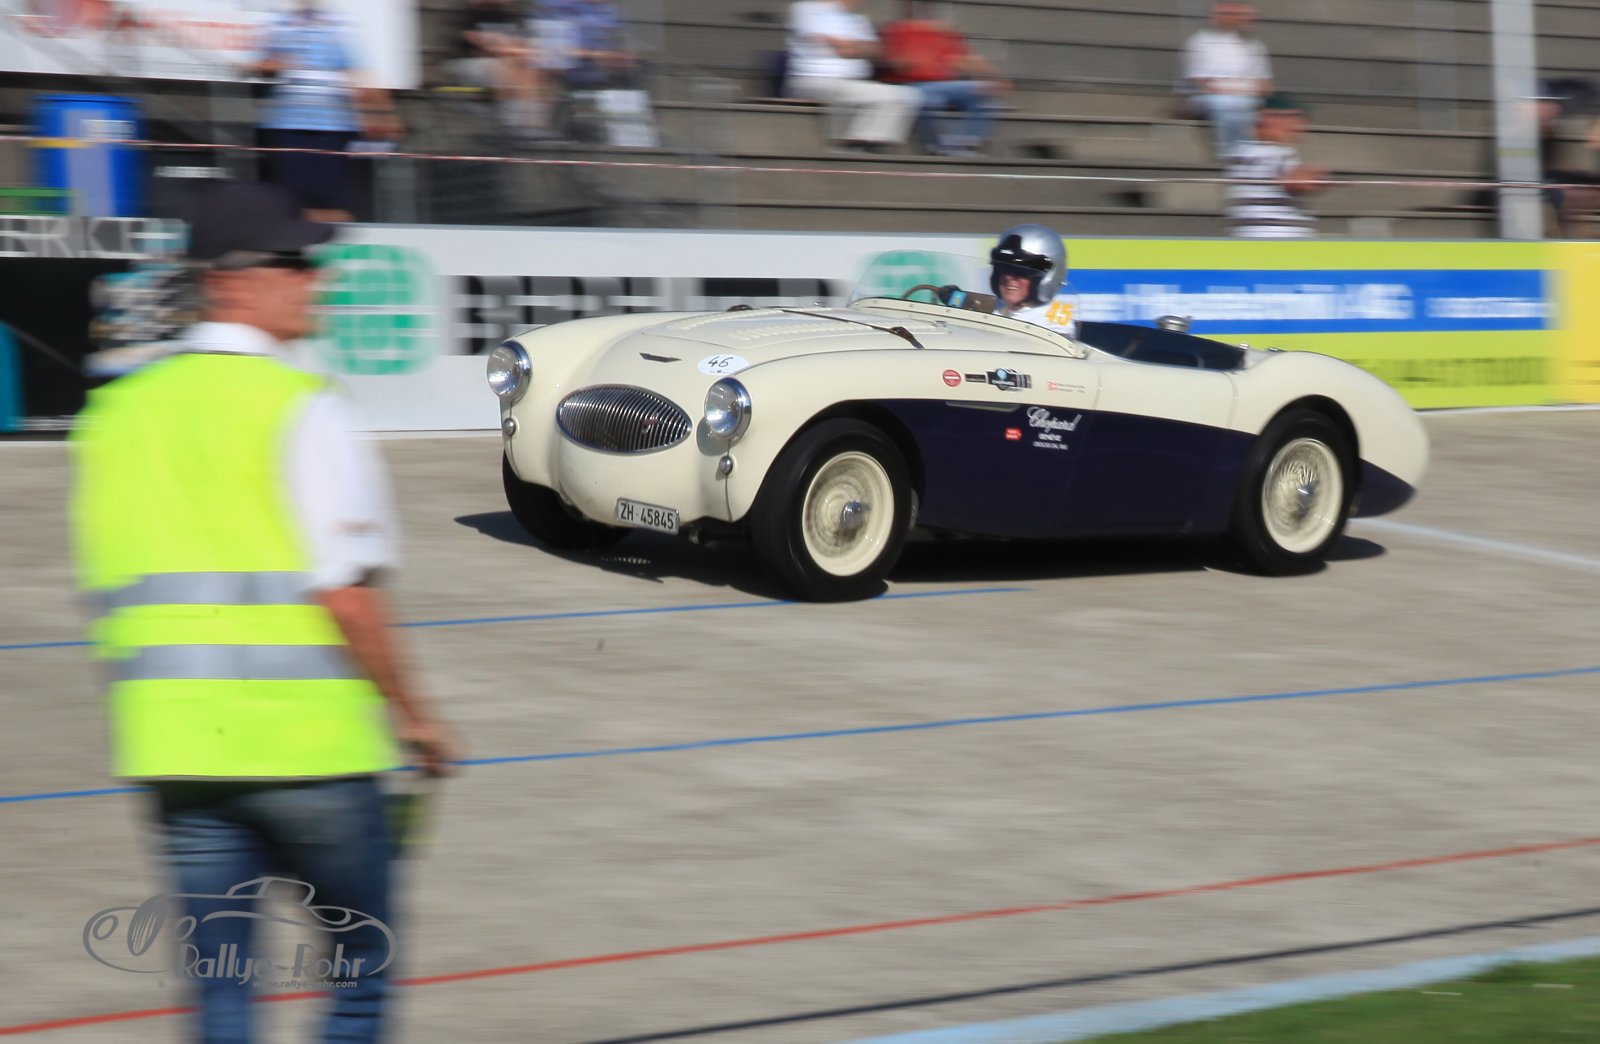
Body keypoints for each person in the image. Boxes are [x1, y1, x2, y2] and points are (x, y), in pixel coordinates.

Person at [69, 181, 457, 1044]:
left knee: (223, 996)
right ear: (231, 281)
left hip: (178, 756)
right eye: (296, 263)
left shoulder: (117, 415)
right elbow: (345, 594)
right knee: (360, 973)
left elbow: (106, 588)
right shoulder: (301, 404)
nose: (318, 278)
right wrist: (416, 718)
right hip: (309, 754)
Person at [251, 0, 401, 222]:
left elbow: (360, 73)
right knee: (286, 201)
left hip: (333, 127)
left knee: (334, 201)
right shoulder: (279, 24)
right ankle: (295, 238)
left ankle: (325, 237)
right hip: (286, 125)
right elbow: (256, 64)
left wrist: (382, 114)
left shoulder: (340, 26)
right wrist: (271, 65)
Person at [785, 0, 921, 154]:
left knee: (907, 95)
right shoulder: (806, 8)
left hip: (852, 83)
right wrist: (854, 46)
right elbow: (841, 47)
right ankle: (856, 147)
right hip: (812, 80)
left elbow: (874, 50)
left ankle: (864, 144)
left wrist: (852, 46)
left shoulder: (858, 18)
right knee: (898, 96)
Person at [880, 0, 1008, 157]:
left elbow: (963, 60)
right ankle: (939, 147)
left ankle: (964, 144)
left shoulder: (944, 32)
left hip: (946, 84)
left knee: (986, 92)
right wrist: (906, 63)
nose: (924, 8)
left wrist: (996, 76)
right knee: (927, 100)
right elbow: (890, 61)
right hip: (912, 84)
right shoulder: (897, 30)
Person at [1224, 93, 1326, 238]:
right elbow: (1297, 182)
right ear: (1268, 119)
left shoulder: (1241, 152)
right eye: (1293, 118)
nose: (1299, 125)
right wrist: (1318, 176)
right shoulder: (1274, 152)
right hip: (1277, 238)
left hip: (1252, 235)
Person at [1182, 1, 1273, 160]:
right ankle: (1234, 155)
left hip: (1247, 98)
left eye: (1246, 16)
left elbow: (1266, 87)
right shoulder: (1200, 42)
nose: (1243, 19)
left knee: (1245, 106)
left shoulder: (1256, 46)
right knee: (1231, 104)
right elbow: (1203, 83)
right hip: (1207, 99)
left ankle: (1246, 155)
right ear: (1217, 18)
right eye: (1234, 15)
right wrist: (1245, 89)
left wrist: (1237, 89)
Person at [445, 0, 550, 135]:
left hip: (503, 62)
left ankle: (533, 126)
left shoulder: (511, 18)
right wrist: (510, 49)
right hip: (466, 64)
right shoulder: (470, 15)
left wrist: (512, 50)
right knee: (505, 67)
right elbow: (485, 45)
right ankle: (511, 126)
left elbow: (523, 47)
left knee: (530, 70)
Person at [988, 223, 1074, 332]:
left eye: (1021, 271)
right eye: (1003, 267)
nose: (1008, 277)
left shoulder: (1055, 321)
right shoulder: (988, 307)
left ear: (1047, 277)